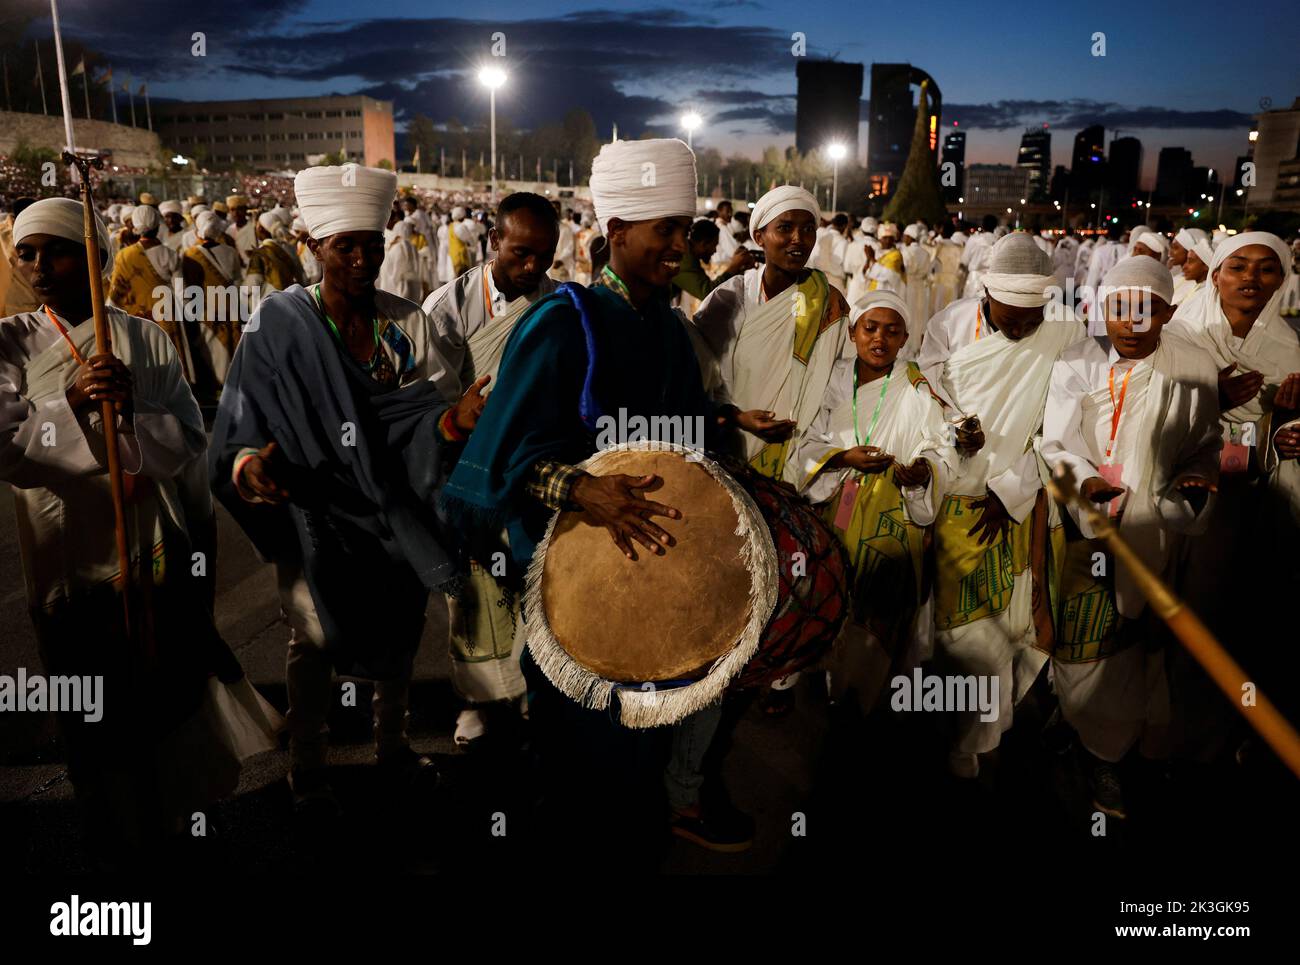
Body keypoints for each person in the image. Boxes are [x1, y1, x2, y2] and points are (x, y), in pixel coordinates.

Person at [441, 138, 772, 854]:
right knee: (580, 774)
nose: (680, 246)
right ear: (616, 232)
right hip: (575, 597)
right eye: (666, 232)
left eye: (685, 231)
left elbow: (691, 445)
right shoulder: (562, 324)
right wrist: (581, 487)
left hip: (657, 590)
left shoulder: (674, 335)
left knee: (638, 776)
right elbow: (497, 458)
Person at [4, 197, 280, 867]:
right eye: (27, 253)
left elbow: (187, 440)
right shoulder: (8, 340)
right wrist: (67, 404)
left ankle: (165, 826)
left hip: (151, 550)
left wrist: (135, 413)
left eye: (57, 250)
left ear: (92, 256)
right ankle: (109, 835)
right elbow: (6, 448)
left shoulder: (145, 338)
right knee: (91, 712)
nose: (40, 266)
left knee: (159, 701)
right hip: (68, 563)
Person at [210, 164, 487, 815]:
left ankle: (391, 746)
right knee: (312, 638)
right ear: (313, 246)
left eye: (371, 242)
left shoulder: (405, 323)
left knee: (398, 628)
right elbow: (240, 419)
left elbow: (434, 417)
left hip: (395, 511)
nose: (362, 258)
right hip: (314, 513)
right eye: (346, 246)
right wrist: (251, 466)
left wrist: (453, 421)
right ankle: (308, 761)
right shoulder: (277, 323)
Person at [1042, 256, 1220, 816]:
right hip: (1084, 527)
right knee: (1081, 642)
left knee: (1133, 645)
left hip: (1152, 528)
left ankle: (1106, 752)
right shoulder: (1078, 360)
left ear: (1168, 312)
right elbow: (1054, 440)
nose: (1131, 323)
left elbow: (1205, 444)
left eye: (1146, 310)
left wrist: (1196, 479)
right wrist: (1083, 477)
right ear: (1102, 309)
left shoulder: (1192, 366)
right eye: (1119, 308)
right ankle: (1084, 730)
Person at [917, 232, 1086, 777]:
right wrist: (951, 433)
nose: (1017, 330)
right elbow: (925, 391)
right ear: (986, 293)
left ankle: (982, 736)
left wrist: (1012, 488)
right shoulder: (950, 322)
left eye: (1027, 320)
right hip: (950, 491)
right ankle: (963, 732)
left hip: (1023, 496)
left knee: (1012, 623)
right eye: (1008, 318)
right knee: (956, 624)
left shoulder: (1065, 331)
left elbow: (1061, 425)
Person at [421, 191, 560, 742]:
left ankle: (531, 687)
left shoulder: (560, 306)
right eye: (520, 253)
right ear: (494, 241)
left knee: (536, 580)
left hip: (535, 467)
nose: (531, 267)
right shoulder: (447, 307)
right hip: (470, 468)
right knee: (476, 589)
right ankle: (475, 699)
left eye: (543, 257)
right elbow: (426, 399)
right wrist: (460, 413)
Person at [1168, 232, 1300, 752]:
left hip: (1260, 488)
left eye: (1266, 269)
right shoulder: (1182, 333)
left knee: (1249, 603)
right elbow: (1149, 409)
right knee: (1192, 600)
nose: (1250, 278)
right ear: (1217, 274)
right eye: (1238, 266)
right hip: (1192, 485)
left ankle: (1233, 725)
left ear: (1281, 280)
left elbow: (1286, 426)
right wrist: (1214, 399)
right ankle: (1175, 720)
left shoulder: (1289, 346)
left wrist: (1288, 422)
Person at [792, 289, 953, 713]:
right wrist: (842, 457)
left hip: (894, 511)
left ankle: (859, 695)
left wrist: (922, 474)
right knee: (828, 593)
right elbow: (805, 440)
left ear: (905, 339)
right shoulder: (830, 379)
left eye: (892, 331)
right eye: (870, 328)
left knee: (879, 605)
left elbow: (939, 447)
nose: (879, 339)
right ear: (852, 332)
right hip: (834, 504)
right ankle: (823, 678)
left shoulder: (917, 385)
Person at [692, 185, 851, 484]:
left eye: (808, 229)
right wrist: (737, 417)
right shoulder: (731, 298)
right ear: (759, 236)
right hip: (731, 448)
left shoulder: (828, 303)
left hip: (801, 451)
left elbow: (841, 376)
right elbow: (698, 378)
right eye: (785, 228)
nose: (798, 239)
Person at [106, 205, 186, 368]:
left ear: (135, 226)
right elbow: (181, 292)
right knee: (167, 357)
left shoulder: (124, 255)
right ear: (158, 226)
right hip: (165, 313)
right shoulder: (170, 255)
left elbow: (116, 294)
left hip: (135, 317)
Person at [180, 210, 243, 400]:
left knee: (209, 354)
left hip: (203, 313)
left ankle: (210, 393)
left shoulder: (189, 255)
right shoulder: (231, 252)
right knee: (228, 353)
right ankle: (228, 391)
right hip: (229, 310)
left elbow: (186, 288)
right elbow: (237, 282)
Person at [671, 218, 752, 308]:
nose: (714, 251)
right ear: (704, 244)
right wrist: (734, 266)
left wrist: (739, 268)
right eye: (714, 246)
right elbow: (708, 294)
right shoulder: (685, 258)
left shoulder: (691, 257)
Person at [244, 211, 305, 294]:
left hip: (270, 301)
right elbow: (300, 274)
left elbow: (252, 284)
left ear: (260, 228)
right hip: (292, 297)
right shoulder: (289, 247)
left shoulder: (260, 253)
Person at [899, 224, 932, 356]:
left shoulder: (905, 252)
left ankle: (907, 347)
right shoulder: (925, 253)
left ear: (909, 237)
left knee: (908, 314)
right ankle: (917, 346)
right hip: (921, 287)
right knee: (919, 315)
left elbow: (903, 270)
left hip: (909, 286)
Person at [377, 216, 424, 303]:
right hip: (414, 283)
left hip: (402, 286)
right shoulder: (412, 246)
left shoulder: (397, 248)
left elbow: (395, 270)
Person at [1171, 229, 1213, 306]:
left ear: (1205, 266)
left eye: (1190, 261)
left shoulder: (1207, 296)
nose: (1170, 253)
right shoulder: (1178, 278)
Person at [548, 200, 576, 282]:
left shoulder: (566, 229)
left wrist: (560, 260)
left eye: (557, 208)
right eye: (553, 208)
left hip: (560, 266)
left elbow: (569, 248)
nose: (555, 211)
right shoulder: (543, 228)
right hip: (547, 268)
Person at [225, 194, 256, 267]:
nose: (236, 213)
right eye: (232, 210)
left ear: (245, 210)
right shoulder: (229, 230)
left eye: (239, 209)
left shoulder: (254, 228)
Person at [709, 199, 741, 267]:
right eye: (727, 211)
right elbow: (733, 252)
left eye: (731, 211)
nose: (730, 214)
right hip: (722, 266)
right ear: (719, 211)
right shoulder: (722, 228)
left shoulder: (718, 225)